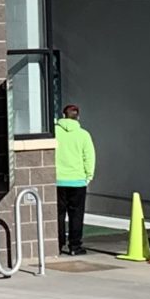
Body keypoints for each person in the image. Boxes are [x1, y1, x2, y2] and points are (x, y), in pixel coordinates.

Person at [51, 103, 96, 256]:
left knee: (58, 214)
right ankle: (75, 247)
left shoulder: (54, 132)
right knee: (76, 215)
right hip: (77, 181)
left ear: (63, 116)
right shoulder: (84, 134)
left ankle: (57, 244)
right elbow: (89, 157)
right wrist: (88, 176)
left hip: (57, 180)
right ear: (78, 117)